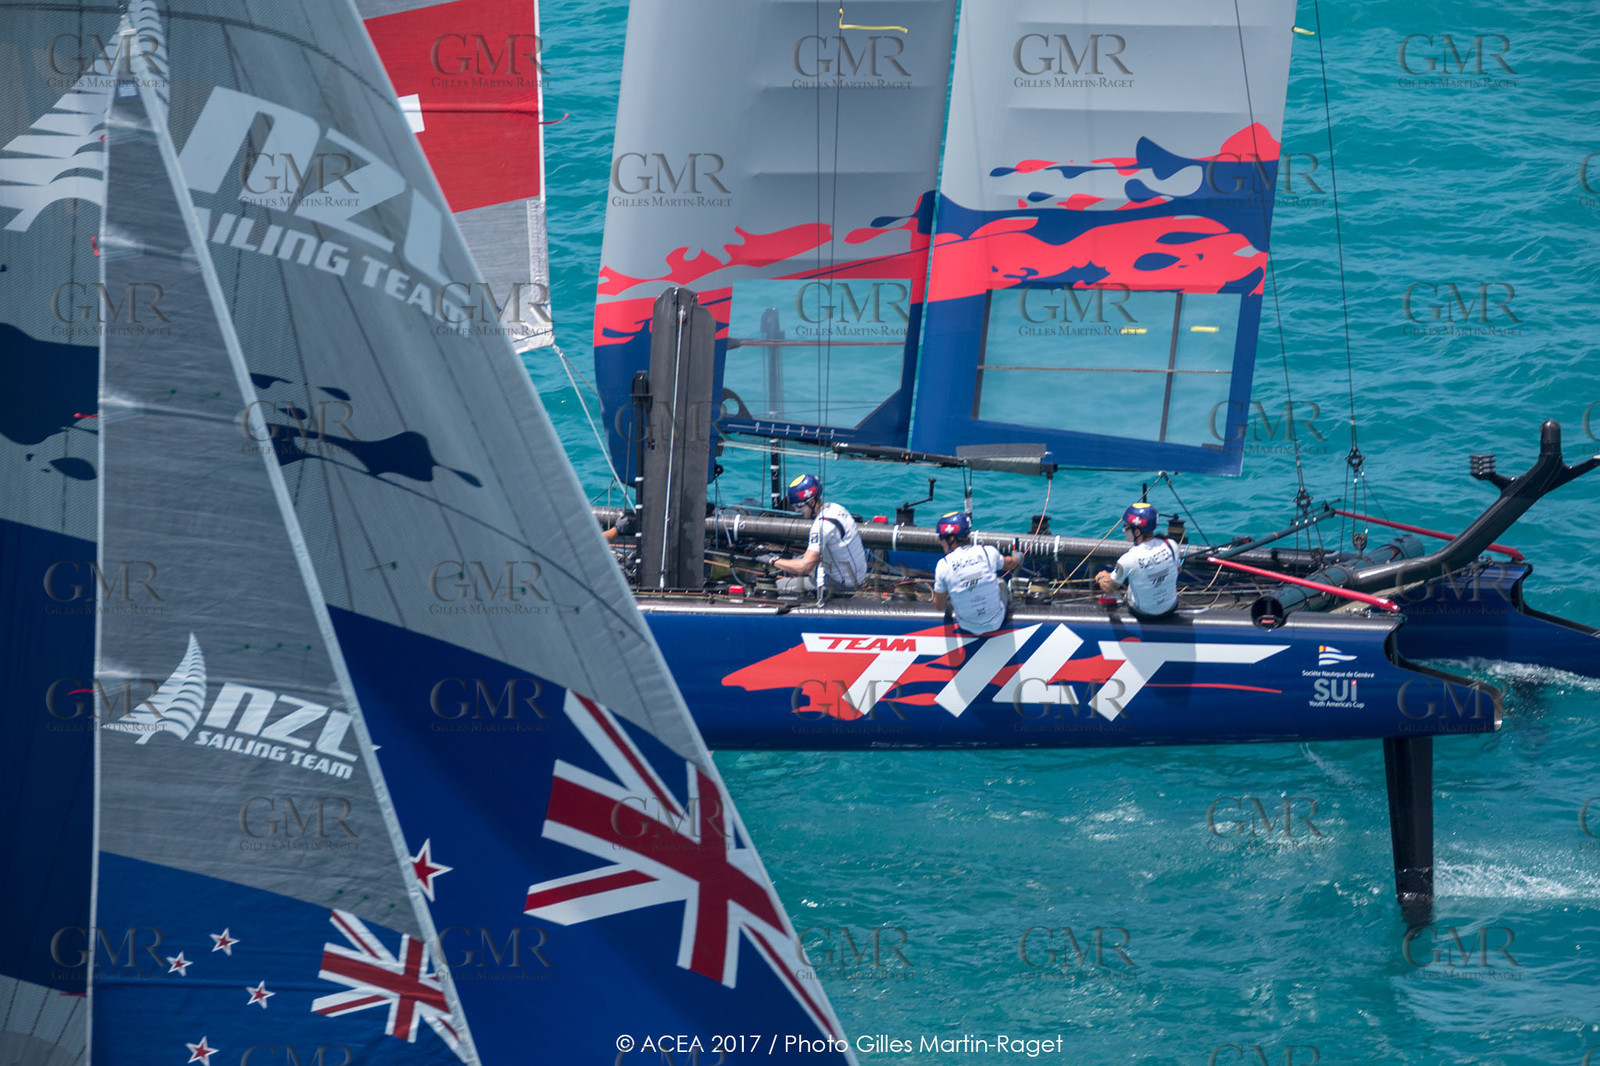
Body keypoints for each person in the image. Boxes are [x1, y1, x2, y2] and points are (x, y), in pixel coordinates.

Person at [762, 473, 868, 595]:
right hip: (857, 576)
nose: (796, 510)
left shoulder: (821, 526)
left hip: (843, 585)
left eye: (799, 506)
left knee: (776, 587)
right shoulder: (837, 508)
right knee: (796, 560)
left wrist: (773, 560)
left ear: (812, 503)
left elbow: (805, 567)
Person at [931, 511, 1024, 635]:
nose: (940, 541)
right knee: (1000, 582)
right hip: (997, 621)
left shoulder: (943, 565)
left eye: (941, 537)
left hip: (967, 625)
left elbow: (939, 607)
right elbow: (1010, 564)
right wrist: (1017, 557)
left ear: (951, 539)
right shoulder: (988, 552)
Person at [1095, 501, 1180, 617]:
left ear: (1137, 532)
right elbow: (1178, 569)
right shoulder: (1171, 545)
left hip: (1143, 613)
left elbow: (1110, 587)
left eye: (1126, 527)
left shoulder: (1128, 559)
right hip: (1171, 607)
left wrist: (1101, 577)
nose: (1124, 531)